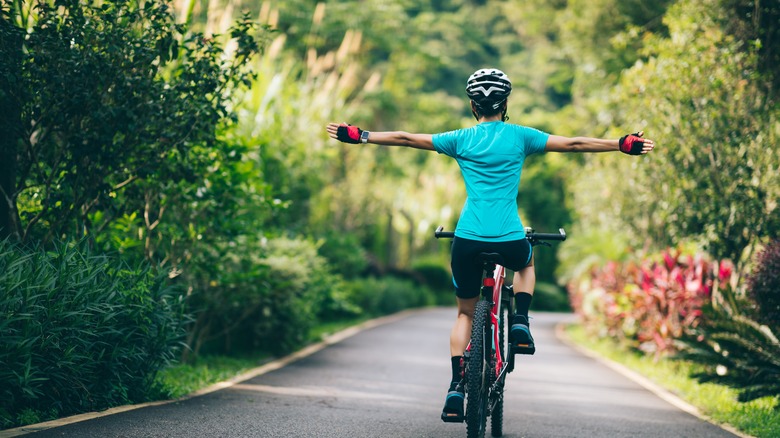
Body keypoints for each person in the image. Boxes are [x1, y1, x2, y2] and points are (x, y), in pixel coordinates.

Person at [326, 68, 655, 422]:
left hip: (467, 239)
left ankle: (456, 386)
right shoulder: (521, 137)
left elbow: (406, 138)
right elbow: (574, 144)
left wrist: (361, 135)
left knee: (465, 313)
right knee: (526, 264)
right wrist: (620, 144)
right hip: (510, 238)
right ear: (505, 103)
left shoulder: (459, 139)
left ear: (472, 105)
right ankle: (521, 322)